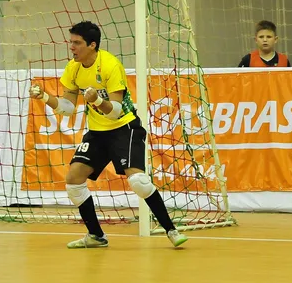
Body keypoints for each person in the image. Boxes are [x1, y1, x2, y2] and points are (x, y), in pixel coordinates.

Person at [29, 21, 188, 249]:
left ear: (92, 45)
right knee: (74, 179)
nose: (72, 47)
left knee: (138, 182)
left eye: (77, 43)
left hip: (125, 129)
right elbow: (67, 107)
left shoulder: (111, 65)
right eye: (71, 42)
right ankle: (96, 236)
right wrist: (44, 97)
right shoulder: (73, 69)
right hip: (97, 133)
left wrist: (96, 100)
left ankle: (171, 230)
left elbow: (115, 111)